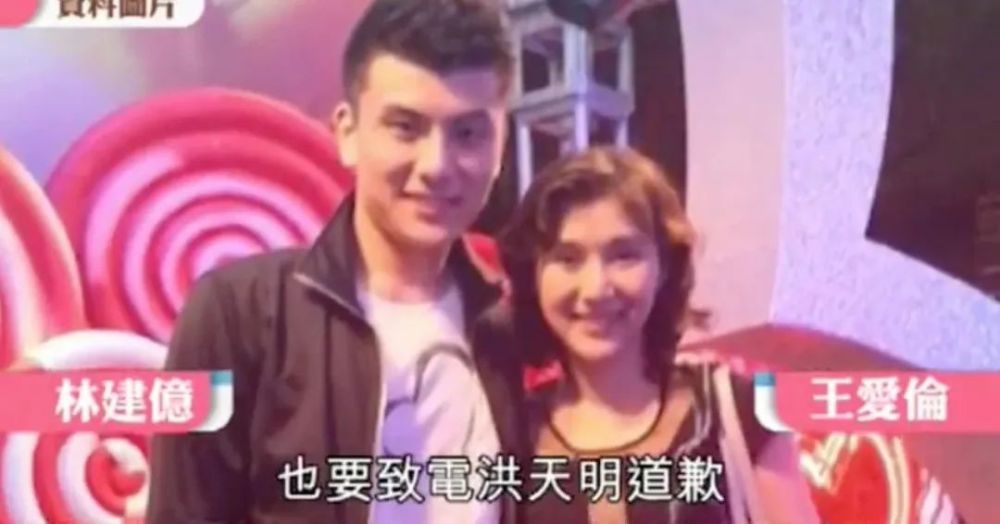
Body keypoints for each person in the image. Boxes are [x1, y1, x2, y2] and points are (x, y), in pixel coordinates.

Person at [146, 1, 526, 523]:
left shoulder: (509, 328)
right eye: (405, 127)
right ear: (347, 132)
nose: (436, 166)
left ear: (500, 145)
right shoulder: (236, 311)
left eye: (467, 134)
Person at [497, 146, 821, 523]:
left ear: (664, 266)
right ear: (533, 275)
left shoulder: (737, 409)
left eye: (624, 255)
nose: (595, 288)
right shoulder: (509, 434)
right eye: (567, 259)